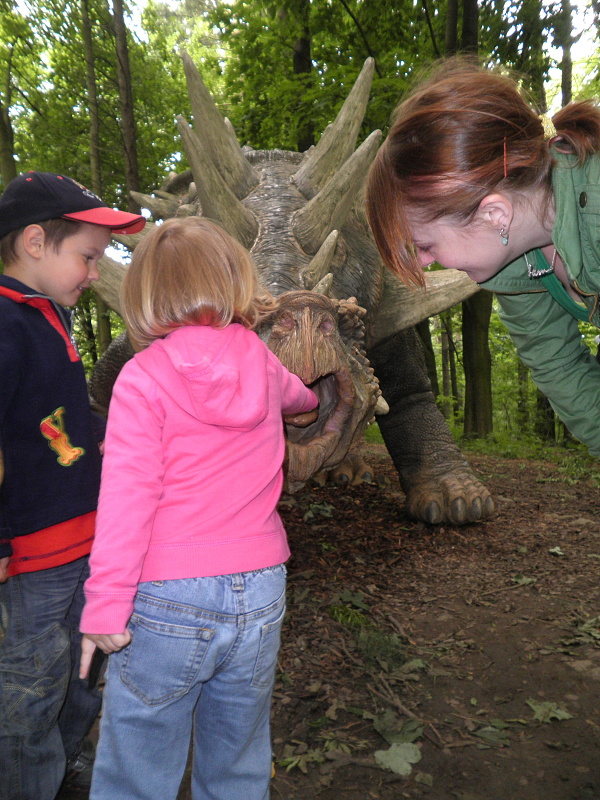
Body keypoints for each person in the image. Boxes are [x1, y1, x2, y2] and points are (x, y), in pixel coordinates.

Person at [78, 216, 319, 800]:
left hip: (169, 596)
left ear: (145, 296)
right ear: (235, 281)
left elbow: (127, 500)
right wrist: (304, 406)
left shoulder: (141, 378)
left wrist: (105, 606)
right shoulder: (262, 362)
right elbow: (303, 399)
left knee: (138, 770)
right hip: (260, 588)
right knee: (236, 760)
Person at [365, 59, 600, 457]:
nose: (422, 263)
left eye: (424, 245)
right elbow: (558, 365)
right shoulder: (518, 264)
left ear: (494, 215)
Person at [0, 170, 145, 800]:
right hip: (32, 554)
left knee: (83, 668)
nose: (94, 273)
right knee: (29, 684)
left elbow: (55, 419)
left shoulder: (48, 317)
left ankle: (59, 765)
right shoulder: (6, 321)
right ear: (35, 242)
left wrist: (112, 439)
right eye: (88, 257)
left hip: (86, 541)